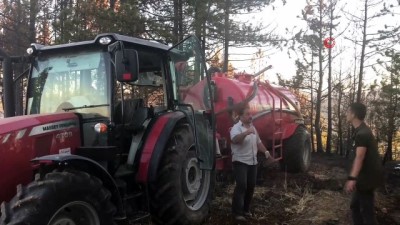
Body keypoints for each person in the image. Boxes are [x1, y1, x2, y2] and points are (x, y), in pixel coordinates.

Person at [230, 106, 276, 222]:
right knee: (241, 186)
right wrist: (245, 133)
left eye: (250, 114)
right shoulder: (236, 128)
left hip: (252, 162)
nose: (250, 116)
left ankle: (246, 210)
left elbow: (258, 143)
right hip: (240, 161)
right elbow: (235, 140)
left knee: (251, 186)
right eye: (247, 114)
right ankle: (237, 213)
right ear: (241, 116)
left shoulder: (253, 128)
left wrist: (267, 154)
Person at [344, 103, 384, 225]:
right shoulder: (361, 130)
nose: (346, 113)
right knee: (355, 206)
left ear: (354, 114)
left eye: (348, 111)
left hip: (367, 179)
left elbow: (359, 157)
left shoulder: (362, 134)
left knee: (367, 212)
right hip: (365, 177)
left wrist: (352, 178)